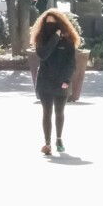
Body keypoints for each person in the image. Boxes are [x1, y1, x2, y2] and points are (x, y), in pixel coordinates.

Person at [30, 9, 80, 156]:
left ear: (60, 24)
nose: (50, 26)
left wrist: (67, 79)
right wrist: (55, 38)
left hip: (62, 81)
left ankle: (59, 139)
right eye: (47, 24)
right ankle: (47, 143)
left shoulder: (68, 40)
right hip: (45, 80)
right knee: (46, 112)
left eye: (53, 24)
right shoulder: (41, 39)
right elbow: (43, 54)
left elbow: (71, 62)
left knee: (59, 112)